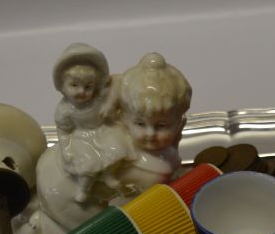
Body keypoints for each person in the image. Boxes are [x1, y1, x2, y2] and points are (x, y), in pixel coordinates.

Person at [110, 52, 191, 202]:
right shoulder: (124, 158)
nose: (150, 133)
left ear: (178, 124)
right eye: (140, 124)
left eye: (161, 126)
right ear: (124, 120)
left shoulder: (169, 151)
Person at [52, 43, 122, 202]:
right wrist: (66, 149)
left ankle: (108, 174)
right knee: (88, 164)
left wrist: (110, 104)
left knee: (116, 149)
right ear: (62, 86)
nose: (81, 91)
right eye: (74, 85)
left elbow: (118, 80)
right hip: (81, 137)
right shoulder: (65, 110)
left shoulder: (98, 98)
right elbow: (64, 131)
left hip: (104, 130)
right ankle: (83, 188)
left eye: (88, 86)